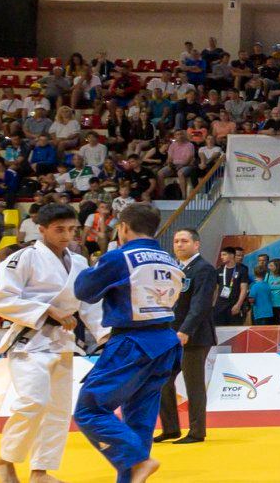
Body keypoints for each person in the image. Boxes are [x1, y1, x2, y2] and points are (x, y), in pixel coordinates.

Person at [72, 203, 184, 483]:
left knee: (89, 410)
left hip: (133, 342)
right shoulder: (170, 260)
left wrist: (89, 266)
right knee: (139, 421)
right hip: (165, 343)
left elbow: (84, 291)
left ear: (123, 227)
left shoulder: (120, 257)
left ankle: (139, 461)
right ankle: (134, 473)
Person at [0, 204, 97, 483]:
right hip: (29, 341)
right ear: (41, 229)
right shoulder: (23, 258)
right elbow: (2, 301)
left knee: (58, 410)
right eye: (59, 229)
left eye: (72, 229)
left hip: (63, 342)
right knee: (33, 402)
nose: (67, 236)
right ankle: (5, 461)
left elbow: (88, 304)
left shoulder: (79, 262)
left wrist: (106, 335)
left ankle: (40, 472)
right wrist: (48, 310)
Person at [155, 228, 218, 445]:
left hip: (195, 335)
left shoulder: (204, 269)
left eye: (184, 241)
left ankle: (197, 431)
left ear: (196, 244)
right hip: (171, 334)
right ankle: (171, 428)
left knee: (194, 384)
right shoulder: (174, 268)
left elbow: (201, 304)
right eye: (176, 241)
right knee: (162, 381)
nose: (179, 245)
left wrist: (186, 330)